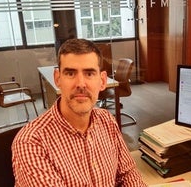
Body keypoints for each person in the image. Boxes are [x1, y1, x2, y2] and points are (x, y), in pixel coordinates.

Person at [12, 38, 147, 186]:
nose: (81, 84)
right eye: (70, 73)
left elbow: (127, 174)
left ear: (102, 81)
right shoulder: (31, 142)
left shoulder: (107, 120)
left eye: (89, 73)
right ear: (57, 79)